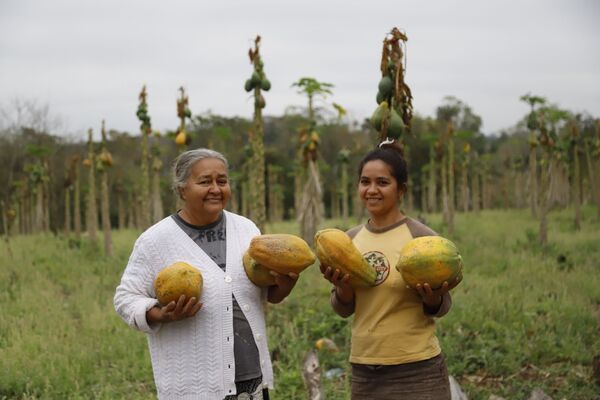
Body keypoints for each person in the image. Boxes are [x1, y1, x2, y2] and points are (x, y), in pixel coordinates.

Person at [114, 148, 298, 400]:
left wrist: (286, 284)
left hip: (251, 378)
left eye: (222, 181)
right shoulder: (156, 240)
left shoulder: (246, 229)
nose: (216, 188)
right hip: (196, 387)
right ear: (181, 189)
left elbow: (266, 294)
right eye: (205, 181)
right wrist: (160, 314)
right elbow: (125, 298)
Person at [320, 141, 456, 399]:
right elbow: (343, 309)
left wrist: (432, 298)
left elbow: (444, 304)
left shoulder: (420, 237)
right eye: (365, 182)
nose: (372, 190)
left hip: (417, 369)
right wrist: (343, 289)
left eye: (382, 182)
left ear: (401, 189)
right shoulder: (348, 240)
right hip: (365, 371)